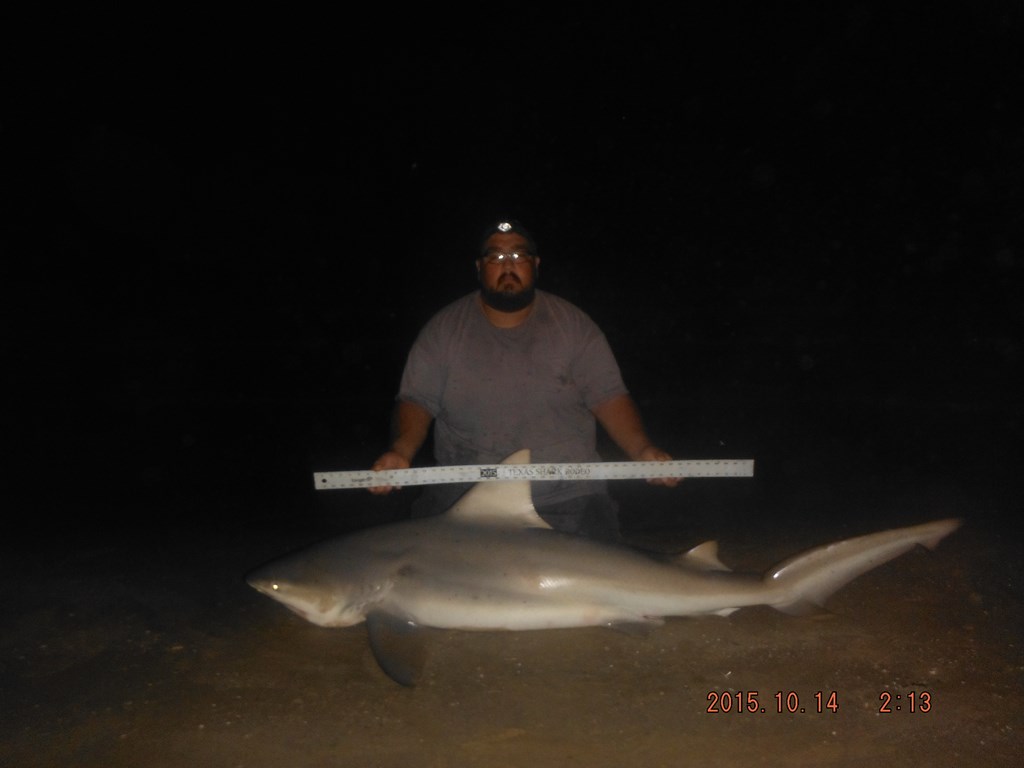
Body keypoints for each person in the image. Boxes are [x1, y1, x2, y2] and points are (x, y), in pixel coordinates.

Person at [368, 218, 678, 542]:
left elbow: (609, 396)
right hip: (462, 497)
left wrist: (642, 449)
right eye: (496, 257)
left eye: (518, 256)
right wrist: (400, 451)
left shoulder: (573, 326)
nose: (508, 266)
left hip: (570, 495)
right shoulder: (443, 331)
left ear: (536, 264)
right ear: (479, 267)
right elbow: (416, 400)